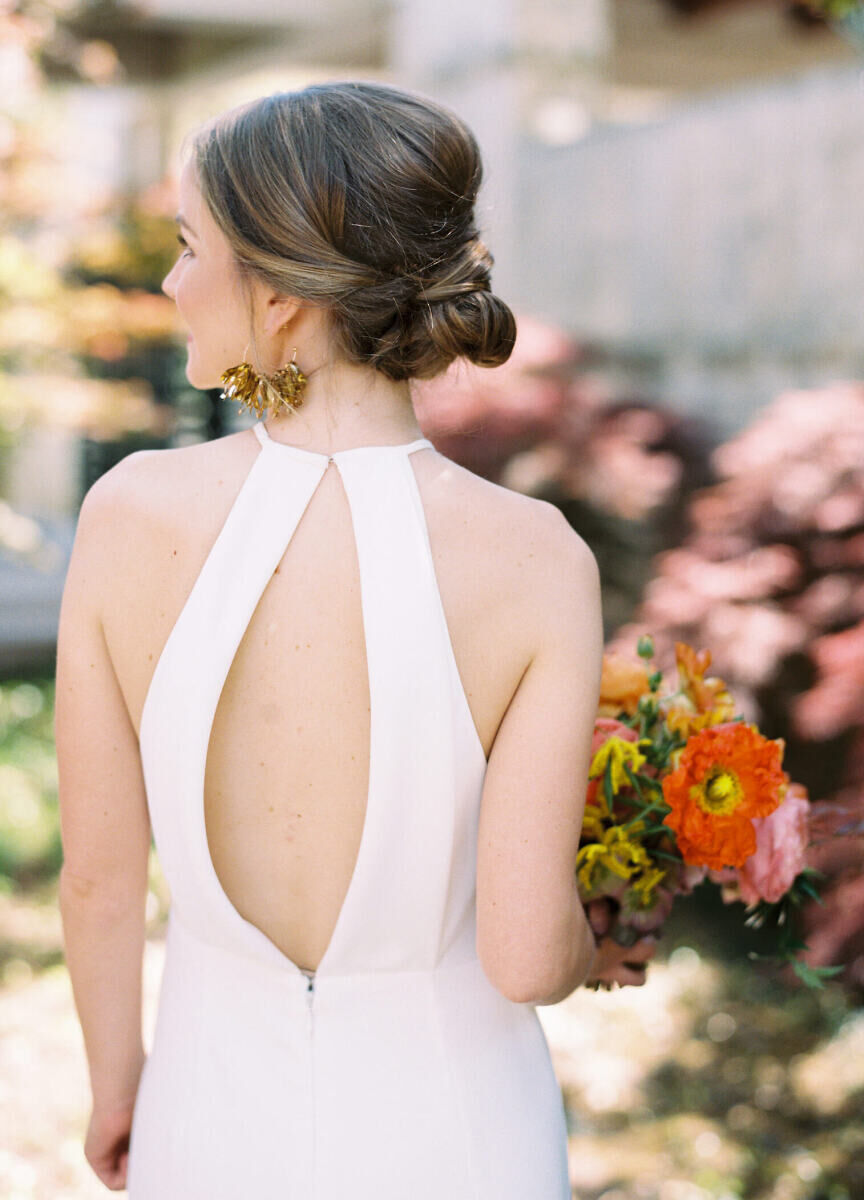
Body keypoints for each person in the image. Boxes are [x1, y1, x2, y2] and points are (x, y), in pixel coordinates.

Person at [55, 80, 656, 1198]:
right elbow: (527, 955)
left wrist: (117, 1086)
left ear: (280, 296)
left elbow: (98, 882)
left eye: (192, 249)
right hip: (459, 1133)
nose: (173, 284)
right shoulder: (536, 557)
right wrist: (598, 942)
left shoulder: (128, 513)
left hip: (207, 1117)